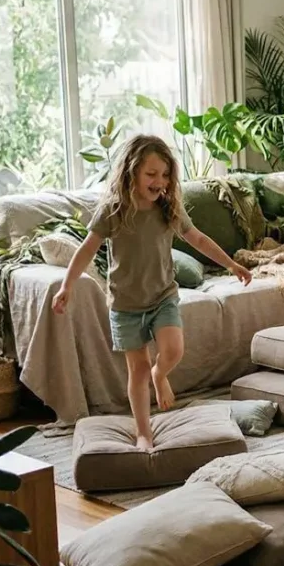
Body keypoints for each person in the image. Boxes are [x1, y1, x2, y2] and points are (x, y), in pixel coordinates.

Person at [52, 135, 252, 450]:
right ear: (131, 172)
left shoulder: (169, 209)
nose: (160, 181)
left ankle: (161, 375)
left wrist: (231, 264)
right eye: (151, 174)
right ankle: (143, 432)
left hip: (162, 296)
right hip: (126, 304)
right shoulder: (113, 211)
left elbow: (198, 239)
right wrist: (67, 285)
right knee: (138, 370)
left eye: (165, 174)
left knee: (173, 350)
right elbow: (87, 249)